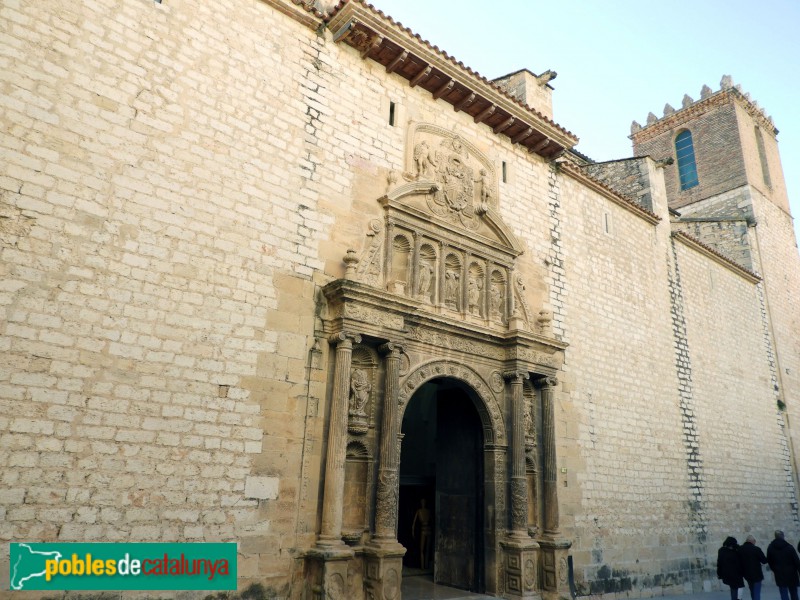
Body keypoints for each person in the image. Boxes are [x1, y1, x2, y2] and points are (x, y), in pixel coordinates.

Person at [767, 530, 800, 600]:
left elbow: (769, 561)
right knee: (794, 593)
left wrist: (775, 569)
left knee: (783, 593)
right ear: (783, 536)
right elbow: (796, 561)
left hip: (779, 573)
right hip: (792, 574)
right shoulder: (789, 547)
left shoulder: (770, 548)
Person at [740, 535, 768, 600]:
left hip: (746, 574)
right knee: (757, 592)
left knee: (752, 591)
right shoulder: (756, 549)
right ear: (752, 541)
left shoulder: (740, 549)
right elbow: (764, 561)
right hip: (757, 574)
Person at [411, 498, 432, 570]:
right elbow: (413, 524)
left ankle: (424, 566)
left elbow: (413, 524)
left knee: (424, 550)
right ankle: (423, 566)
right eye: (422, 502)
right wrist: (413, 531)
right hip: (426, 530)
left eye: (424, 502)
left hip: (425, 530)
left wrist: (413, 531)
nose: (423, 503)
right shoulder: (421, 511)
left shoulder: (423, 511)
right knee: (423, 550)